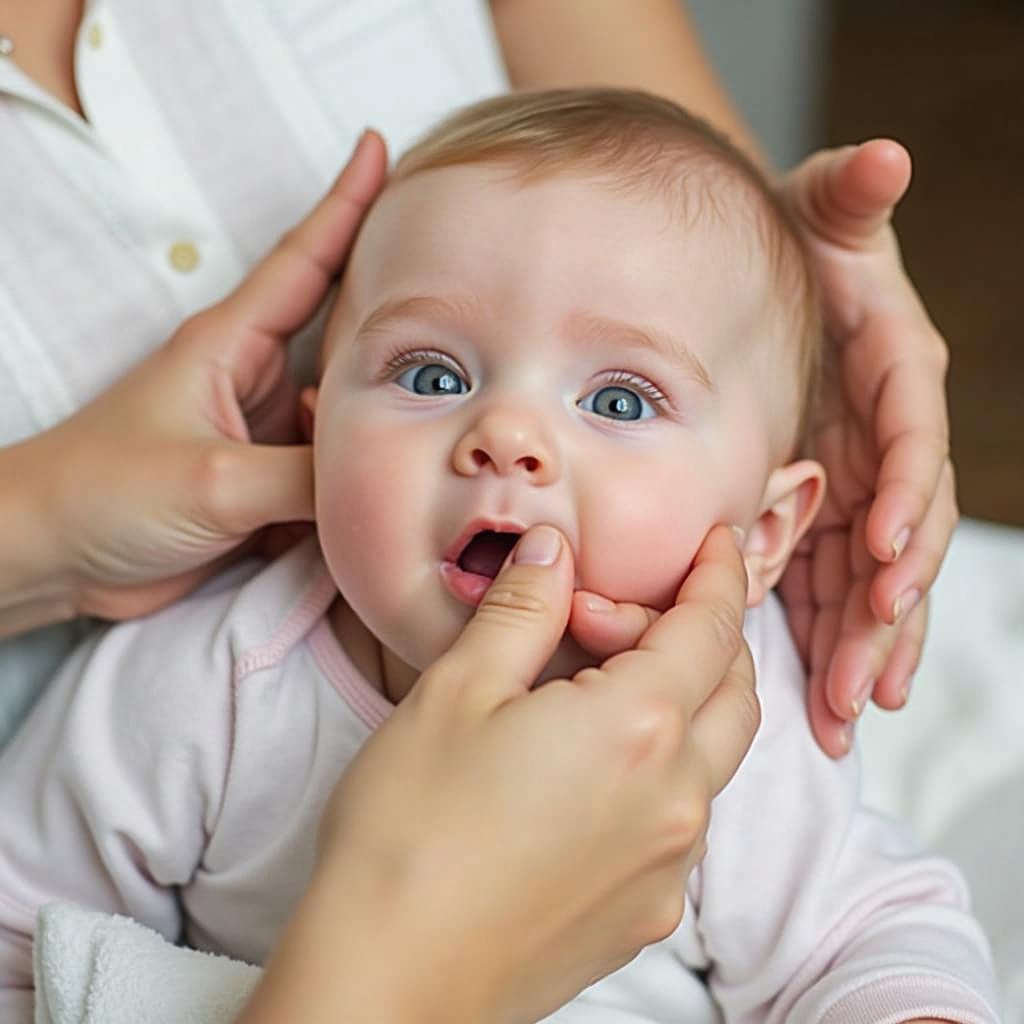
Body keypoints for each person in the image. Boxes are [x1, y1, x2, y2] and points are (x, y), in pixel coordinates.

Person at [0, 0, 957, 1016]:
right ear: (317, 440)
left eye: (618, 399)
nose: (506, 433)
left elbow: (859, 940)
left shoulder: (725, 710)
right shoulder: (202, 688)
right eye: (431, 374)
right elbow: (24, 931)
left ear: (764, 533)